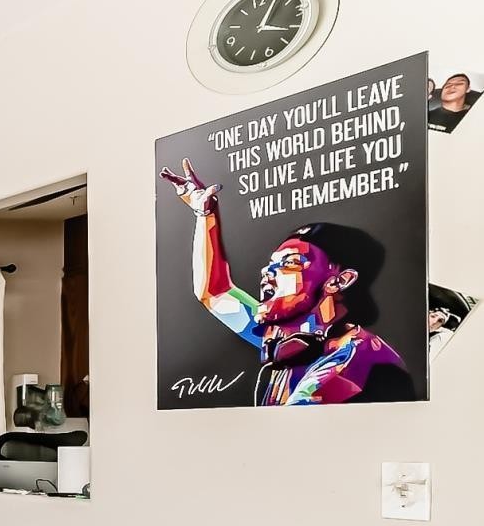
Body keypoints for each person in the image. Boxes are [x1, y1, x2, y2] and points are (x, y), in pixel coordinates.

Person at [158, 161, 412, 403]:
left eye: (289, 263)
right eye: (271, 264)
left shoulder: (353, 360)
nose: (268, 273)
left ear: (339, 280)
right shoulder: (297, 339)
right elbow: (216, 292)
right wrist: (206, 215)